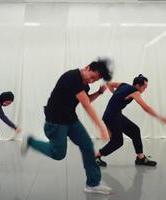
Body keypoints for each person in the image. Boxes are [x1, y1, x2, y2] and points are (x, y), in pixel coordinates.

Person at [21, 59, 113, 194]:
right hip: (56, 121)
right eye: (92, 77)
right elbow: (86, 105)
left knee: (87, 145)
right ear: (87, 68)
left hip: (71, 119)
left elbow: (86, 101)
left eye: (96, 80)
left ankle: (92, 184)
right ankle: (30, 141)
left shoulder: (84, 84)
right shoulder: (72, 77)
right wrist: (102, 128)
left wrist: (99, 92)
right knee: (58, 154)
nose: (92, 81)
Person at [95, 74, 166, 167]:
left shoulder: (123, 85)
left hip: (115, 114)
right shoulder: (134, 91)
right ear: (138, 85)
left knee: (135, 130)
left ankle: (140, 158)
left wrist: (115, 94)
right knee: (117, 142)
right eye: (144, 87)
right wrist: (160, 118)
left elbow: (109, 84)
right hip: (112, 116)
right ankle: (96, 156)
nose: (144, 90)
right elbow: (146, 108)